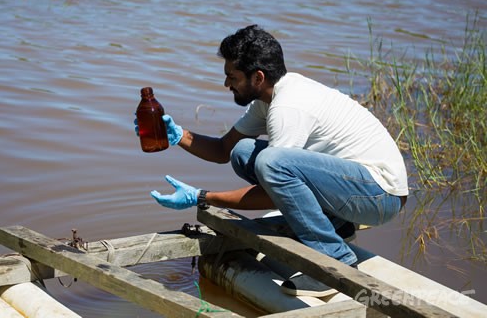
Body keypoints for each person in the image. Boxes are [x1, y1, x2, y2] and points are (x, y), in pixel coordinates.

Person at [143, 24, 408, 298]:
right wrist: (179, 136)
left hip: (380, 197)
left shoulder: (287, 108)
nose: (226, 84)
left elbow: (274, 190)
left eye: (231, 77)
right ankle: (336, 224)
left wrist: (203, 197)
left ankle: (334, 262)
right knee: (243, 151)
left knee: (270, 162)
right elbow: (224, 150)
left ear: (257, 77)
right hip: (356, 188)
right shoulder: (268, 97)